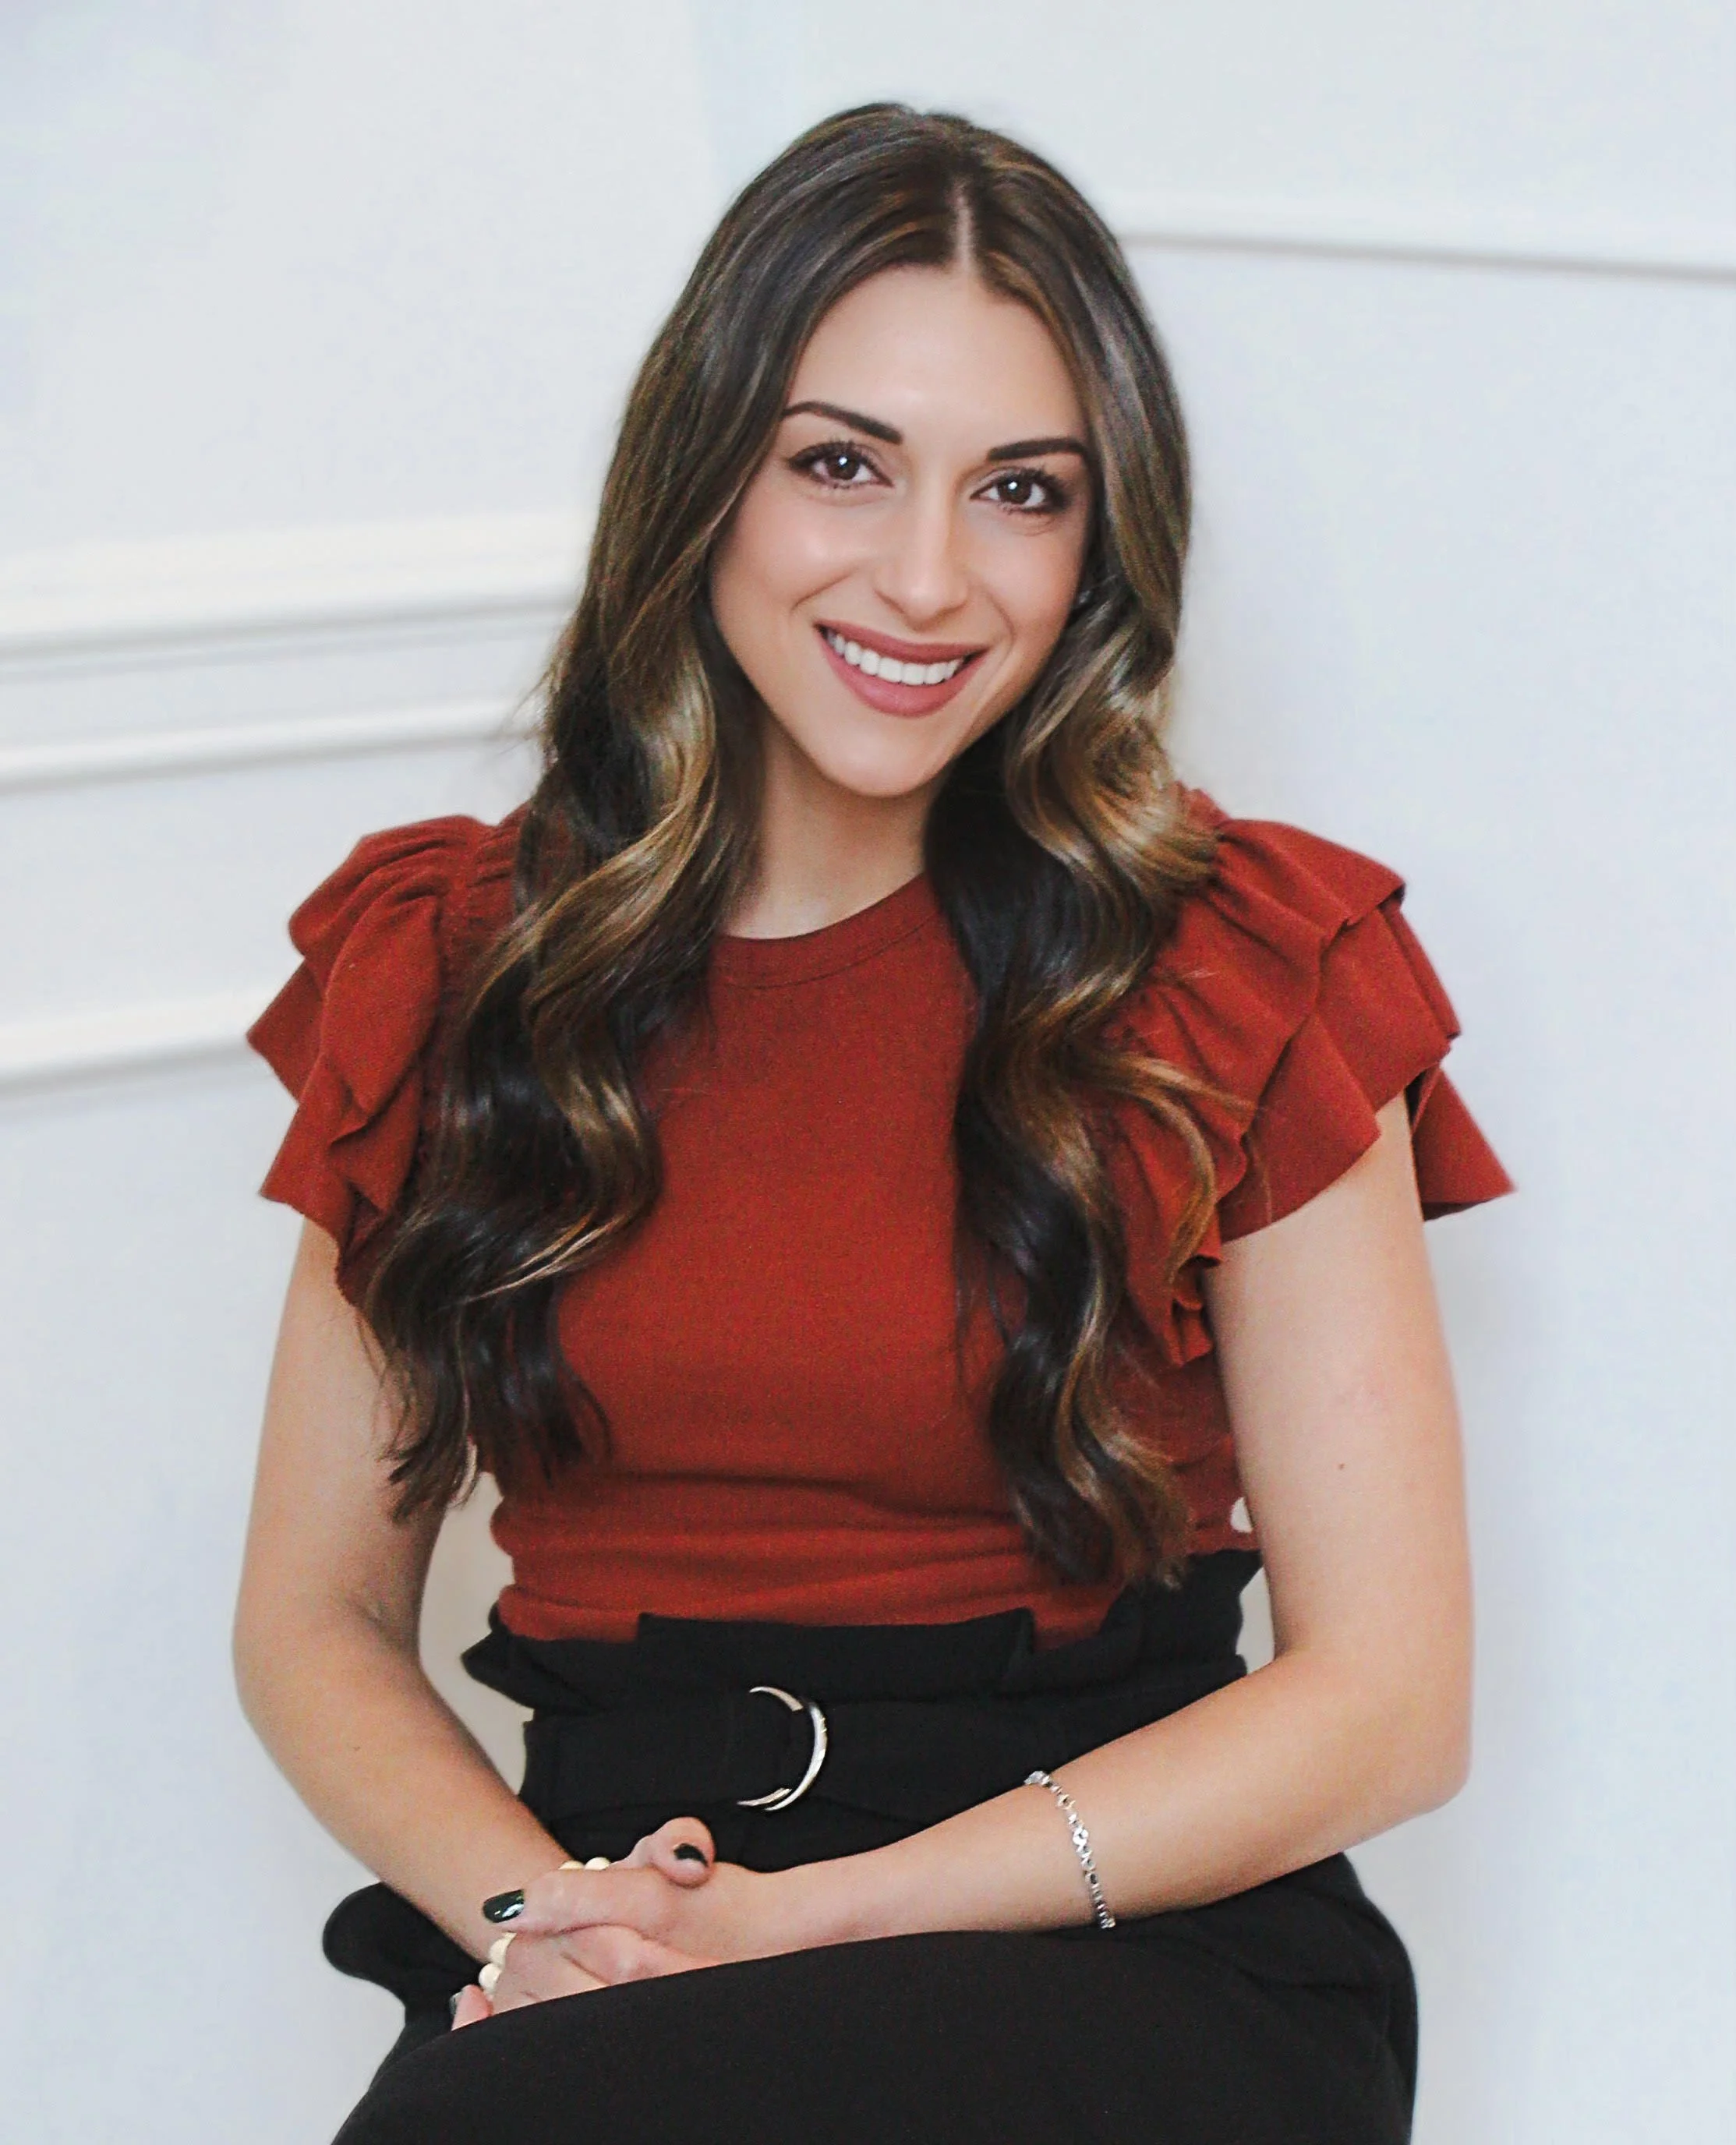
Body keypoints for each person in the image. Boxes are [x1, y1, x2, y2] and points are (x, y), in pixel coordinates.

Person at [235, 103, 1511, 2145]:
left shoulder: (1237, 965)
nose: (928, 578)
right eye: (842, 464)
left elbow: (1391, 1701)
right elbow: (311, 1619)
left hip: (1124, 1936)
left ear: (1102, 544)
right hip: (605, 1925)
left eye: (1022, 491)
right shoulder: (452, 964)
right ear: (705, 476)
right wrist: (548, 1917)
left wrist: (810, 1923)